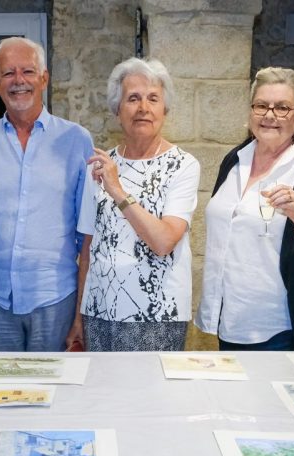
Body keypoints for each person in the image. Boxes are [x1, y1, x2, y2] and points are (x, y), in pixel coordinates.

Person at [0, 37, 93, 353]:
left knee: (52, 383)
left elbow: (88, 233)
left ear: (44, 78)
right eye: (8, 73)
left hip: (55, 297)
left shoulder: (76, 140)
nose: (18, 81)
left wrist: (81, 312)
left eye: (27, 71)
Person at [196, 67, 294, 350]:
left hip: (283, 327)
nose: (269, 115)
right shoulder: (235, 160)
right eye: (261, 106)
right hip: (231, 320)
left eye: (282, 108)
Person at [74, 57, 200, 351]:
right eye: (133, 98)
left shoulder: (182, 165)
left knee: (152, 383)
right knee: (102, 383)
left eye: (153, 98)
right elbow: (88, 247)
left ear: (164, 109)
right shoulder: (100, 165)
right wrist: (79, 316)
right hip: (99, 312)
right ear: (117, 109)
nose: (143, 107)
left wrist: (117, 190)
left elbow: (164, 242)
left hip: (157, 316)